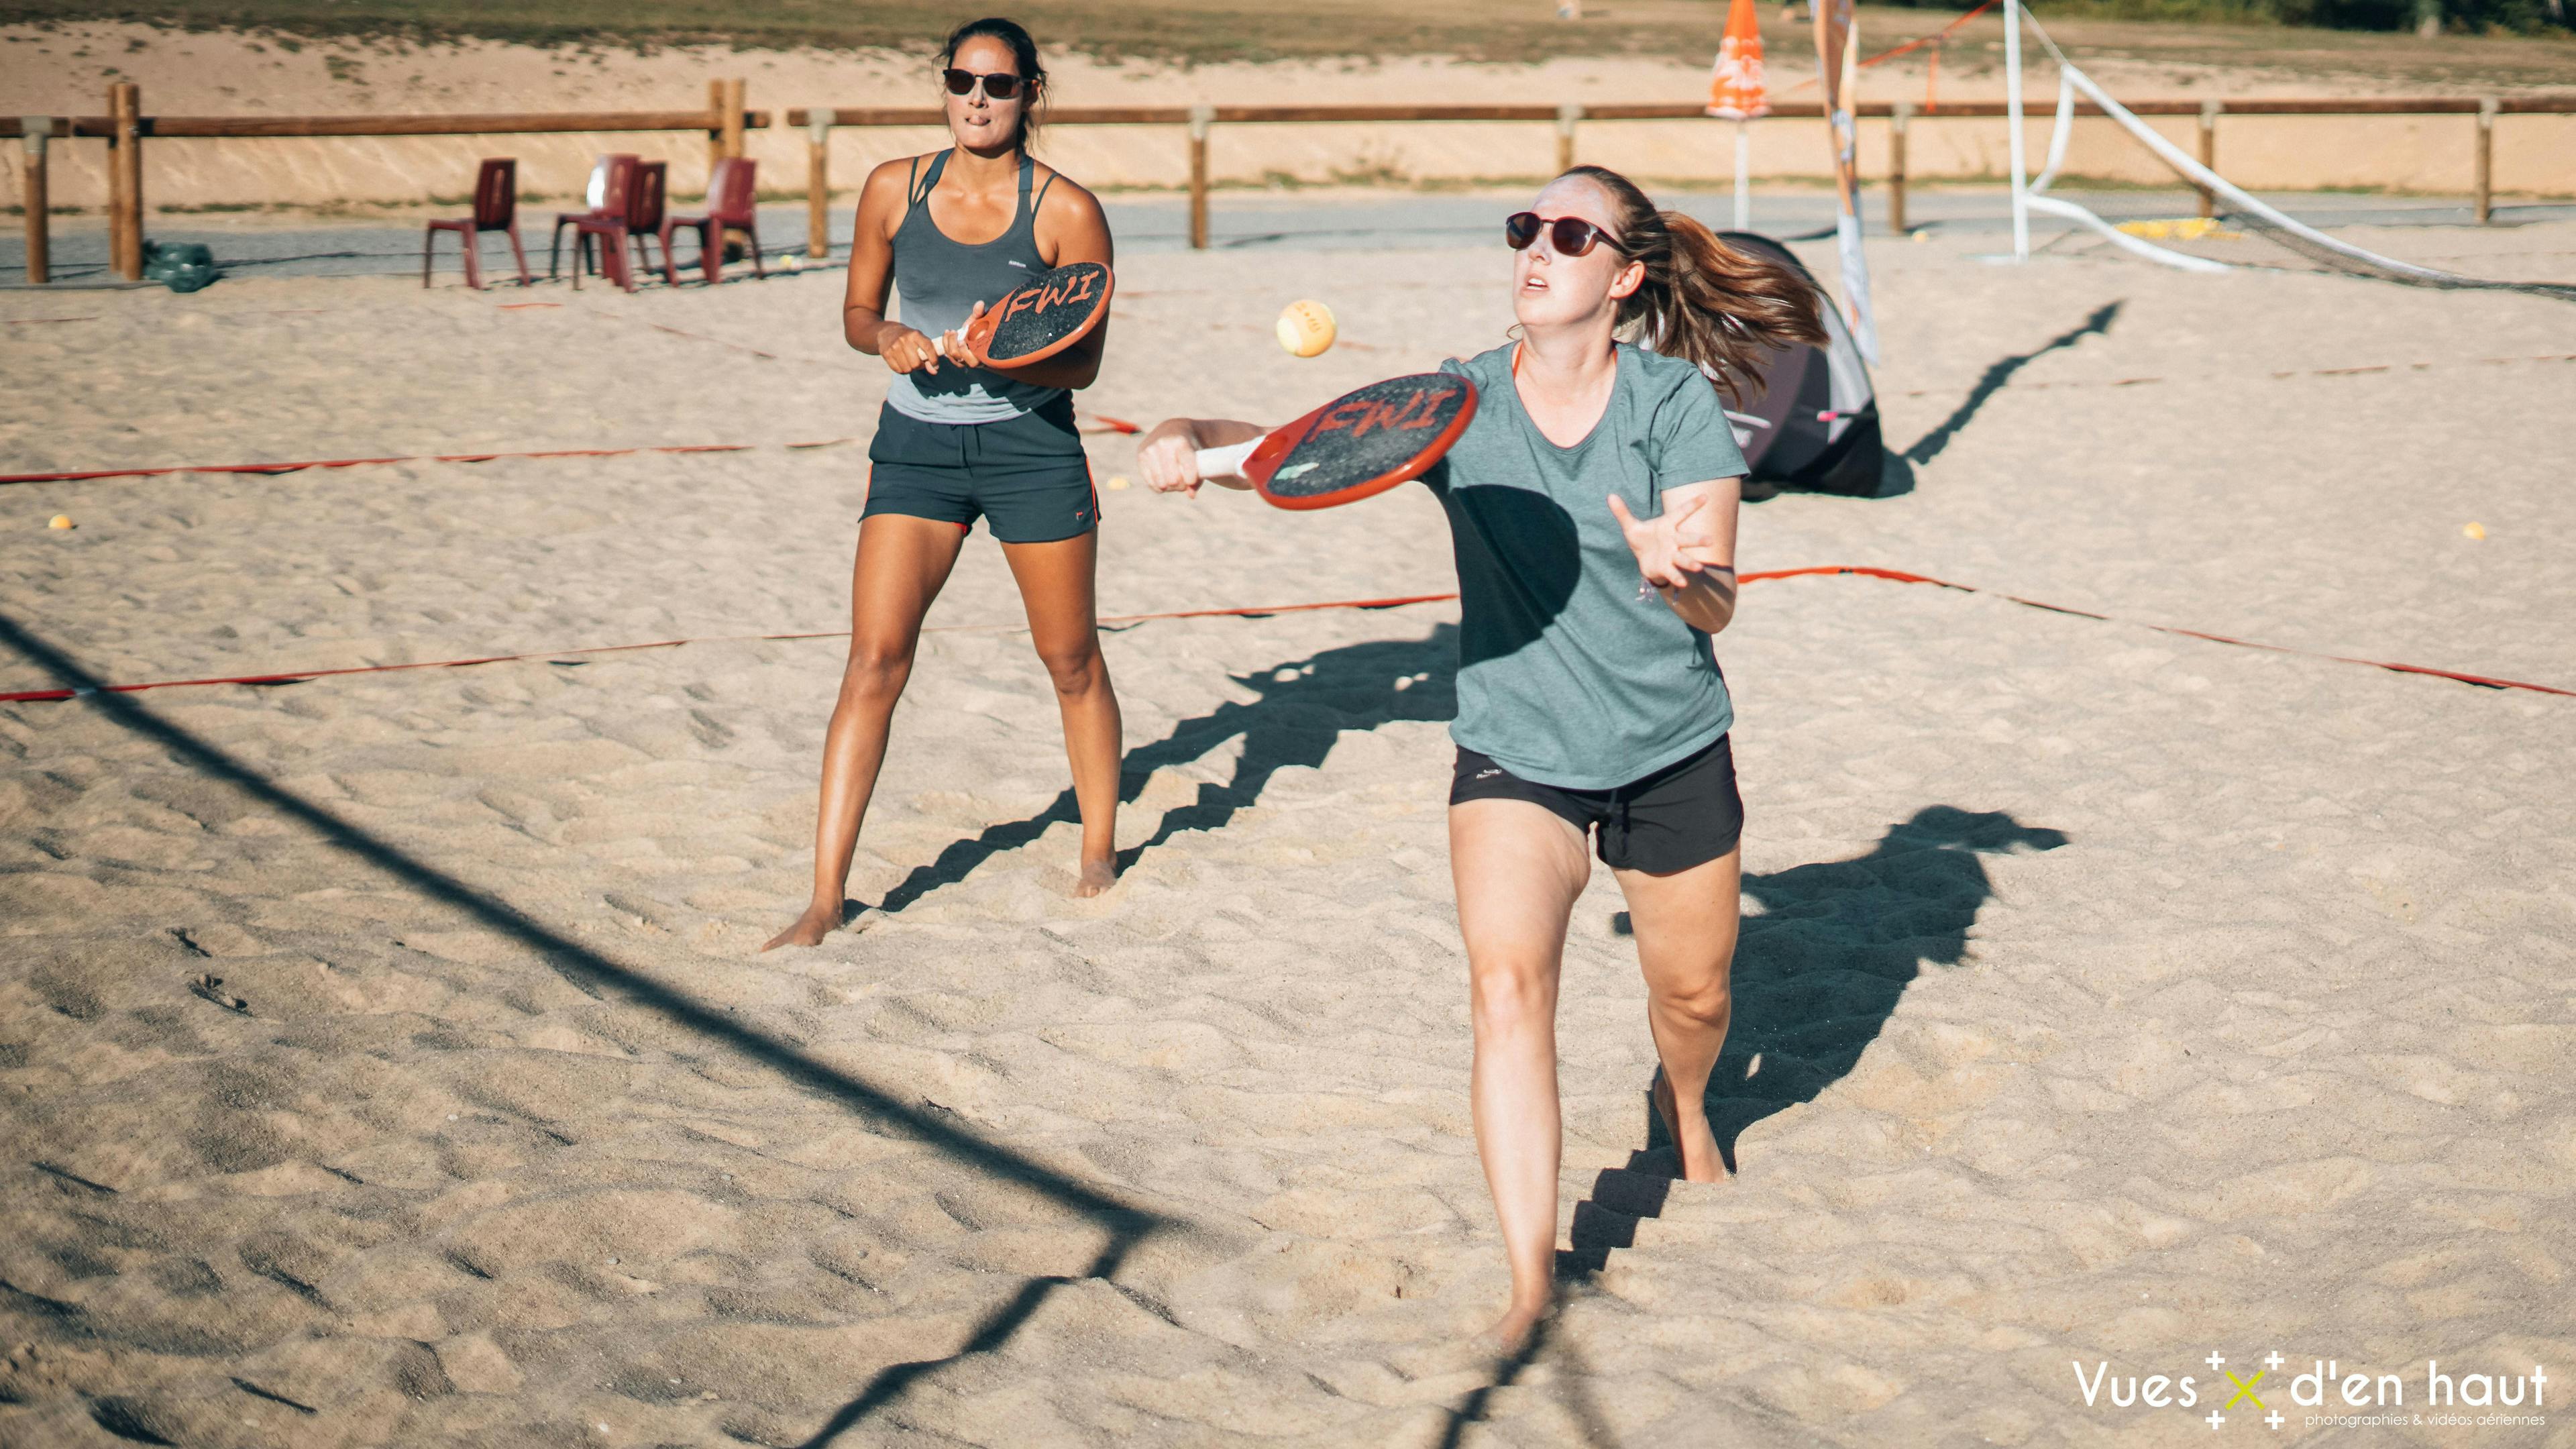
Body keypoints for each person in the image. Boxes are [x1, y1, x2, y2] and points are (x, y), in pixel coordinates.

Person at [1133, 165, 1827, 1348]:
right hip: (1518, 751)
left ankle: (1689, 1105)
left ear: (1625, 276)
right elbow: (1297, 452)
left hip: (1669, 746)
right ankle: (1528, 1281)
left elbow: (1718, 607)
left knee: (1695, 997)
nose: (1537, 249)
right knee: (1508, 990)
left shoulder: (1673, 407)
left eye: (1570, 233)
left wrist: (1686, 574)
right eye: (1525, 228)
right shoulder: (1454, 401)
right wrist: (1183, 438)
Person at [767, 17, 1121, 951]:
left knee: (1071, 660)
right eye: (962, 81)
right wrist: (884, 336)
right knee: (875, 660)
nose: (977, 99)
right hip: (915, 452)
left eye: (999, 86)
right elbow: (856, 310)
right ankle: (825, 898)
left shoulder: (1067, 211)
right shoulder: (894, 188)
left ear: (1029, 96)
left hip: (1030, 451)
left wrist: (1011, 352)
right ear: (944, 87)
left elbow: (1084, 366)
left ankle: (1097, 848)